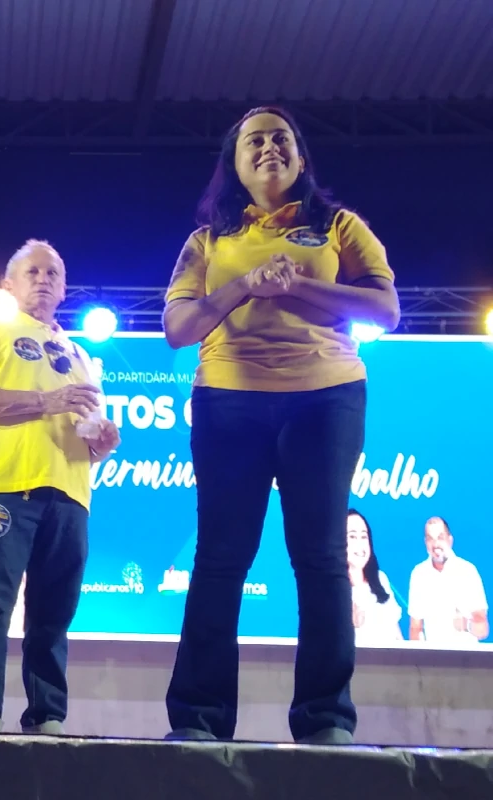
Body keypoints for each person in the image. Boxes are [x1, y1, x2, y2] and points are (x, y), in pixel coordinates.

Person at [162, 107, 400, 746]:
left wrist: (296, 287)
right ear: (234, 164)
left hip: (325, 398)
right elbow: (178, 330)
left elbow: (386, 307)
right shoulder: (207, 241)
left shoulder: (340, 226)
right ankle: (200, 719)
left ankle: (325, 719)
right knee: (219, 557)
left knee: (321, 557)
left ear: (300, 157)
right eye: (253, 141)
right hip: (228, 402)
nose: (268, 147)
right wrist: (243, 286)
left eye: (280, 138)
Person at [0, 240, 120, 734]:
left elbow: (86, 429)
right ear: (8, 284)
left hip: (71, 495)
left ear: (65, 288)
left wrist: (102, 441)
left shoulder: (80, 353)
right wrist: (48, 401)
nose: (43, 279)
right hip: (7, 488)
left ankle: (47, 716)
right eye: (32, 271)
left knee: (54, 613)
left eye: (53, 273)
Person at [408, 517, 488, 644]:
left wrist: (465, 624)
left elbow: (483, 629)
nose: (435, 544)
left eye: (440, 537)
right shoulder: (419, 574)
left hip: (466, 658)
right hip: (434, 660)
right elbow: (415, 627)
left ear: (450, 540)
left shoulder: (468, 571)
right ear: (425, 542)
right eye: (430, 538)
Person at [345, 510, 403, 645]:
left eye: (364, 537)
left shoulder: (380, 579)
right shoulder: (330, 589)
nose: (360, 544)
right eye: (352, 537)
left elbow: (396, 633)